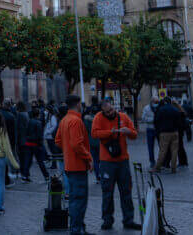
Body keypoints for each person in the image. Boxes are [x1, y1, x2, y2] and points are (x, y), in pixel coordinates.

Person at [91, 97, 143, 231]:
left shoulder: (123, 117)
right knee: (107, 192)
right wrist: (111, 132)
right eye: (107, 112)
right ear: (102, 111)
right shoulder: (98, 117)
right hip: (106, 161)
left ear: (114, 107)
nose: (110, 113)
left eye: (111, 110)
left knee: (126, 191)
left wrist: (128, 132)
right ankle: (107, 220)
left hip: (122, 160)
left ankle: (129, 219)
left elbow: (134, 134)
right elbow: (94, 133)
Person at [56, 95, 93, 235]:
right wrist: (88, 157)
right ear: (78, 104)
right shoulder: (76, 121)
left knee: (74, 199)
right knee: (79, 200)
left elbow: (58, 140)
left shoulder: (64, 120)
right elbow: (77, 144)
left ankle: (78, 228)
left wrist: (67, 152)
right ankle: (77, 230)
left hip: (69, 165)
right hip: (78, 166)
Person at [151, 97, 181, 174]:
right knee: (174, 151)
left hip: (164, 132)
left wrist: (159, 129)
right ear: (170, 102)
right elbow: (179, 121)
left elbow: (157, 120)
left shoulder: (161, 110)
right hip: (174, 132)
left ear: (164, 102)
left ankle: (158, 167)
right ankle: (173, 168)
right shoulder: (175, 109)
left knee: (163, 151)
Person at [21, 107, 50, 182]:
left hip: (28, 143)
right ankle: (46, 176)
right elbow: (40, 135)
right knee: (40, 161)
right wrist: (41, 145)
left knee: (28, 160)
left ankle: (25, 176)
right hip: (36, 144)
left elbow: (26, 132)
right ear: (38, 114)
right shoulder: (38, 123)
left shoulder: (29, 121)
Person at [83, 102, 101, 180]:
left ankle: (97, 176)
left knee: (95, 160)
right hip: (100, 141)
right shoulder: (100, 119)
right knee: (102, 160)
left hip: (91, 141)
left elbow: (85, 131)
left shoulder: (86, 120)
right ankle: (103, 174)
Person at [140, 96, 159, 168]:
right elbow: (143, 118)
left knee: (162, 146)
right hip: (150, 129)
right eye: (155, 102)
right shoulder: (146, 108)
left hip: (158, 129)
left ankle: (162, 160)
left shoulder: (159, 107)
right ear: (151, 101)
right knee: (150, 147)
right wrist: (152, 120)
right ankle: (152, 161)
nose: (156, 103)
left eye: (157, 102)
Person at [14, 102, 31, 182]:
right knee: (25, 158)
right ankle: (25, 174)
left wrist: (16, 141)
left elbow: (18, 129)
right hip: (26, 140)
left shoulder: (20, 115)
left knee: (22, 158)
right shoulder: (26, 114)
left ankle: (23, 174)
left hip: (22, 140)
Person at [172, 99, 190, 168]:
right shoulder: (181, 111)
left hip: (177, 131)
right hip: (181, 131)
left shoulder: (176, 112)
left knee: (179, 147)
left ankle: (182, 162)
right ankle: (184, 161)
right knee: (181, 147)